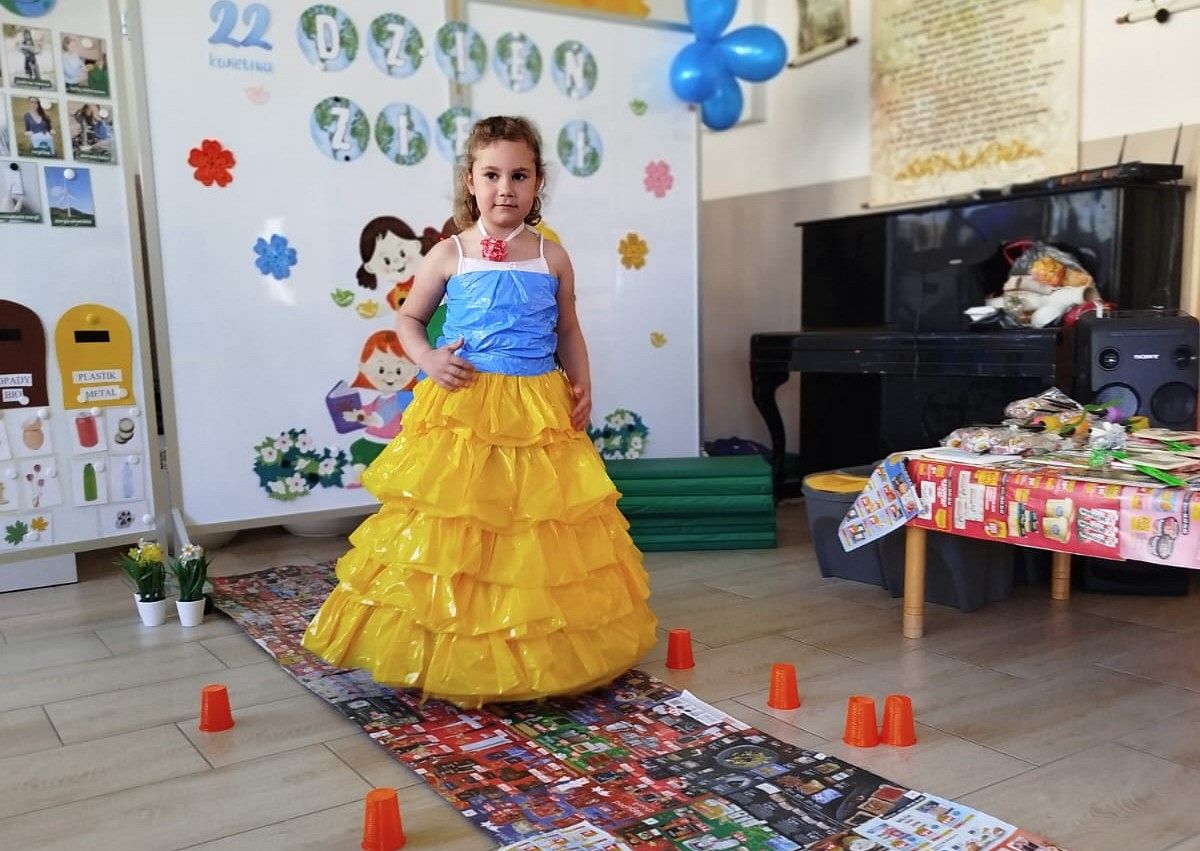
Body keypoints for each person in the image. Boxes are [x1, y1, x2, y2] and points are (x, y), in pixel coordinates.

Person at [303, 115, 657, 707]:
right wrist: (428, 359)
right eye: (492, 175)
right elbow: (409, 319)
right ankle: (449, 640)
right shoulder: (450, 253)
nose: (505, 189)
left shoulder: (552, 256)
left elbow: (569, 329)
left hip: (538, 406)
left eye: (519, 175)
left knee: (534, 524)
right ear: (471, 181)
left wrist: (583, 383)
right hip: (464, 404)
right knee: (461, 521)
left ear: (537, 183)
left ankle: (533, 644)